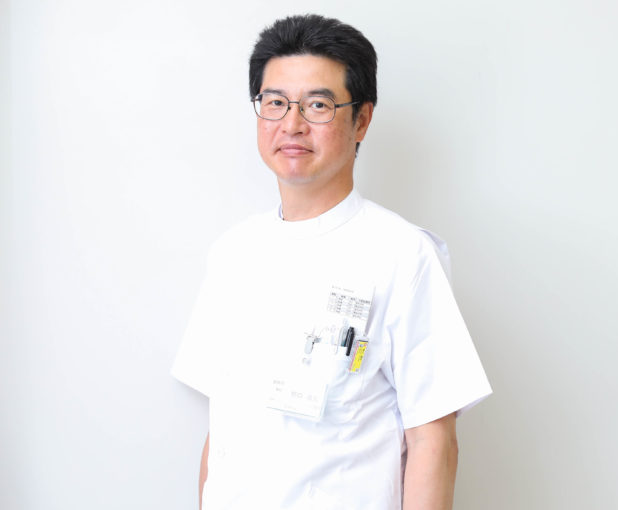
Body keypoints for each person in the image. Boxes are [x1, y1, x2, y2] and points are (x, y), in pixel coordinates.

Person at [172, 14, 491, 510]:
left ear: (361, 119)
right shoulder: (232, 252)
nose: (291, 124)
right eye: (275, 103)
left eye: (317, 105)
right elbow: (222, 431)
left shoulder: (403, 254)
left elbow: (432, 441)